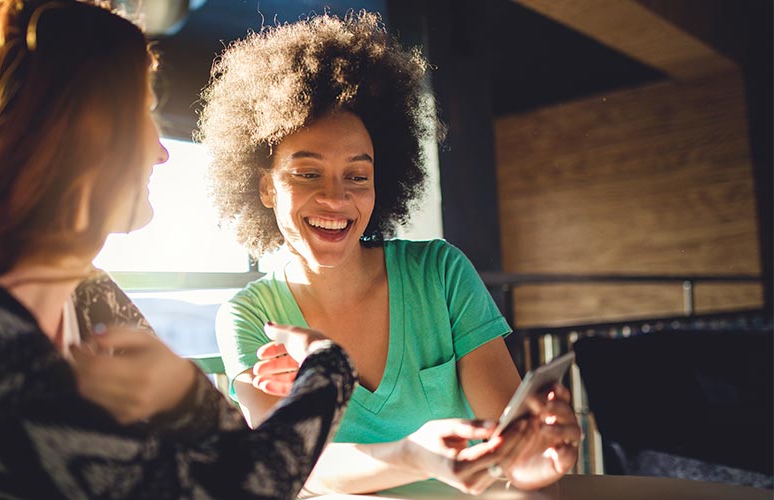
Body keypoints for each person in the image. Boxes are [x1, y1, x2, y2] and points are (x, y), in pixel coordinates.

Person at [0, 1, 356, 498]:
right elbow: (236, 489)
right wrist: (329, 363)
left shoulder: (86, 292)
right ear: (84, 137)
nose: (162, 153)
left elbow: (221, 461)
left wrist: (182, 396)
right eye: (144, 118)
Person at [198, 11, 582, 496]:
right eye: (308, 173)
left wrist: (540, 458)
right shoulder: (249, 316)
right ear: (266, 188)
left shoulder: (440, 275)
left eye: (357, 176)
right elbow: (292, 464)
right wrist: (414, 455)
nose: (337, 199)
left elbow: (507, 451)